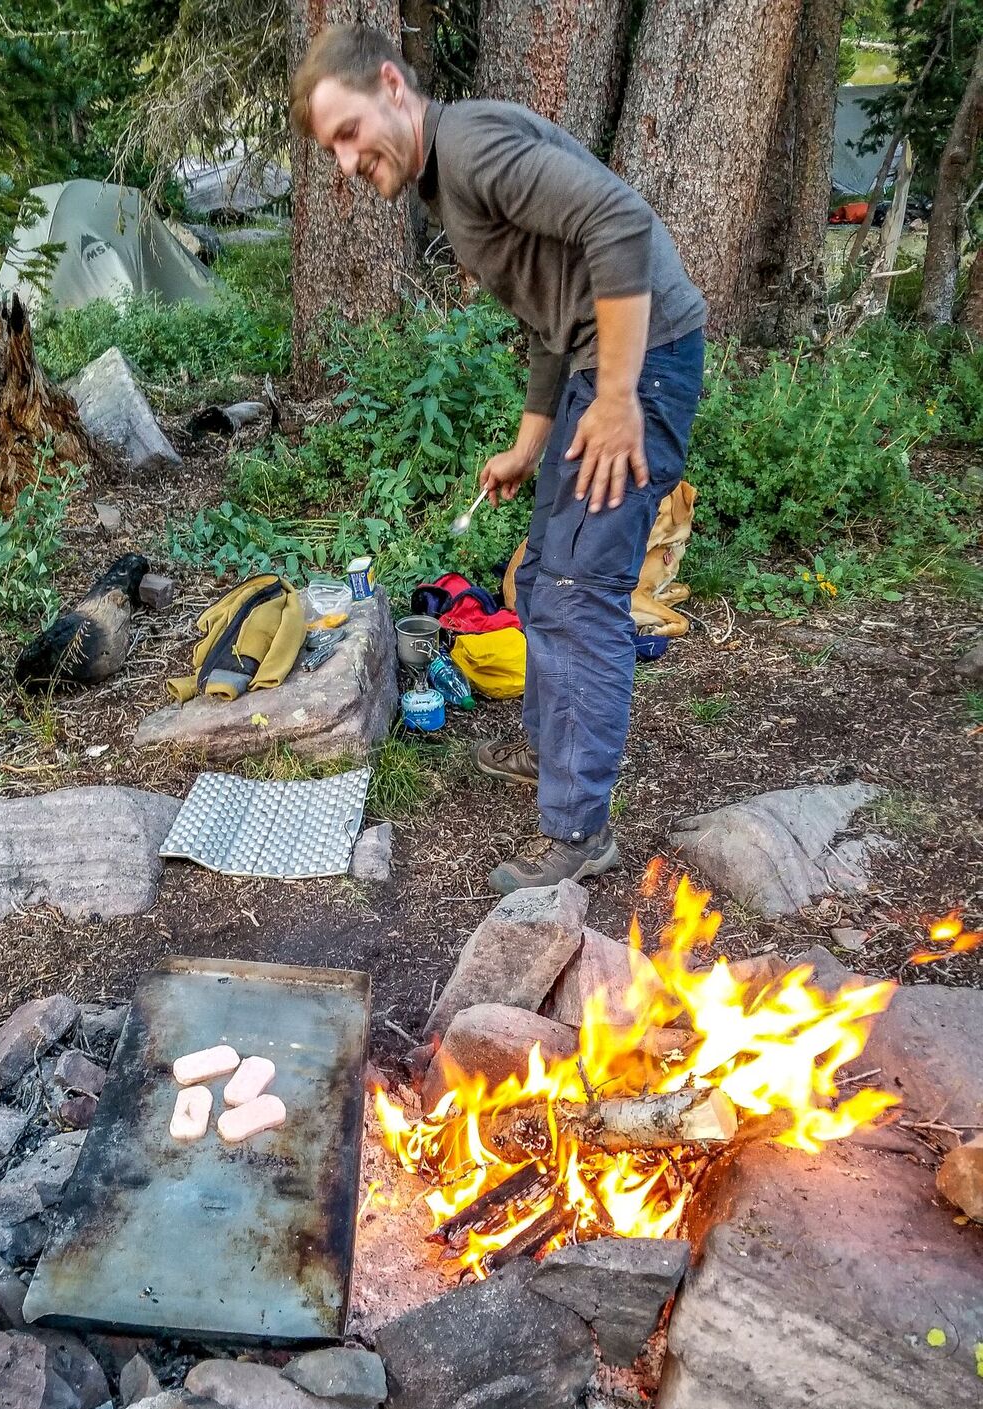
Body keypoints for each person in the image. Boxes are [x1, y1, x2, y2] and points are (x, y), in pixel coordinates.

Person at [291, 26, 707, 893]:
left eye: (347, 131)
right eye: (331, 146)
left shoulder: (471, 146)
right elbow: (557, 303)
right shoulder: (447, 179)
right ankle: (566, 780)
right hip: (603, 363)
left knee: (577, 591)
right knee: (543, 580)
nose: (344, 161)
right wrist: (530, 435)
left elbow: (618, 222)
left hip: (641, 365)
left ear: (393, 87)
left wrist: (621, 395)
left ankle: (579, 832)